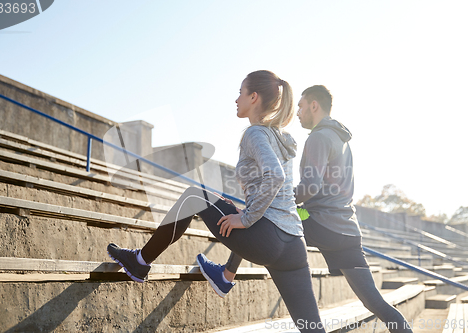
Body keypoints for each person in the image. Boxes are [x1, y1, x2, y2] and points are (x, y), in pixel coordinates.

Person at [107, 71, 326, 333]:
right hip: (294, 245)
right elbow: (278, 189)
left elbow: (275, 176)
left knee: (194, 195)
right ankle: (215, 274)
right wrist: (251, 212)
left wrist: (246, 218)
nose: (236, 99)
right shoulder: (279, 138)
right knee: (313, 328)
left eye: (240, 93)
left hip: (267, 238)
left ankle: (140, 262)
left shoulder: (255, 134)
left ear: (253, 97)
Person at [200, 85, 413, 333]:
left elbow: (310, 187)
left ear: (314, 106)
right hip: (347, 230)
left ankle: (226, 276)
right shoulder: (341, 139)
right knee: (373, 301)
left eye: (301, 106)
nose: (298, 112)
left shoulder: (318, 137)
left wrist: (280, 197)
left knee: (266, 215)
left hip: (316, 219)